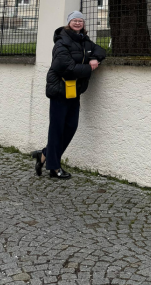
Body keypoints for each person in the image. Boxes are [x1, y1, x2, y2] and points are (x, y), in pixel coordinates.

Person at [32, 11, 107, 179]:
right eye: (75, 20)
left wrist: (94, 58)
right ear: (68, 23)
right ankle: (53, 167)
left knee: (71, 127)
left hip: (74, 90)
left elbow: (101, 50)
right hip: (60, 89)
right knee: (57, 129)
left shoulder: (84, 41)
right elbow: (67, 68)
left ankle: (44, 154)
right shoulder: (61, 42)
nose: (78, 23)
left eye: (80, 20)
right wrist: (90, 68)